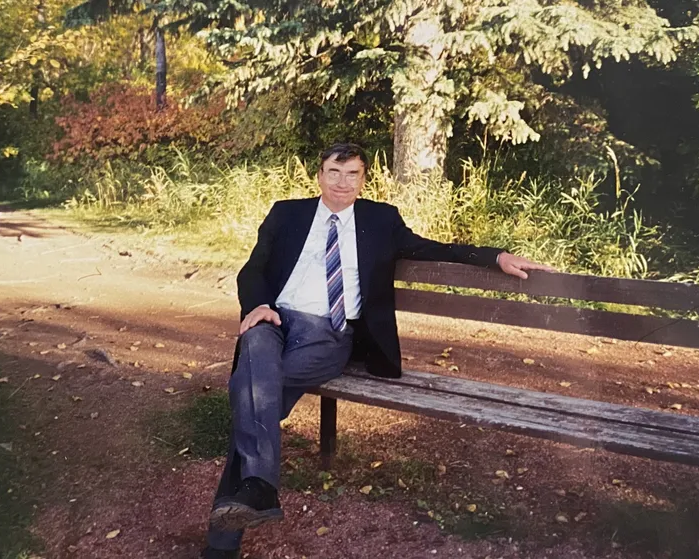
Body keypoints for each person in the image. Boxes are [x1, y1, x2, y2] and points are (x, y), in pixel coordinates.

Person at [201, 143, 553, 558]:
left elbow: (434, 248)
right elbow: (254, 268)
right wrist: (257, 305)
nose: (342, 182)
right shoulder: (287, 213)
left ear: (364, 179)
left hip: (327, 336)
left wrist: (494, 256)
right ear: (319, 174)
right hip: (275, 320)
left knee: (253, 393)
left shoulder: (380, 220)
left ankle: (225, 539)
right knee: (257, 349)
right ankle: (258, 489)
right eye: (335, 171)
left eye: (353, 174)